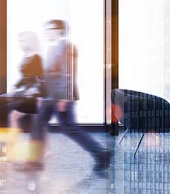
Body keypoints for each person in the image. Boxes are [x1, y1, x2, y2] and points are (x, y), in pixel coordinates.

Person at [30, 19, 111, 173]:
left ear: (58, 30)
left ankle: (101, 154)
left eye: (49, 29)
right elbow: (50, 75)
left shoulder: (67, 47)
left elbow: (68, 74)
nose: (46, 32)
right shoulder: (52, 48)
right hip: (51, 96)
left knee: (69, 128)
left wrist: (64, 97)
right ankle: (34, 161)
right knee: (40, 123)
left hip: (61, 96)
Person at [6, 31, 45, 161]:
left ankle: (16, 149)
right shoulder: (26, 56)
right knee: (35, 124)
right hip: (26, 93)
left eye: (22, 41)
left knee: (16, 116)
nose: (20, 43)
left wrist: (36, 91)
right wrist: (15, 87)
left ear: (30, 41)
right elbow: (25, 77)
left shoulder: (37, 57)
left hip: (34, 95)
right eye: (19, 41)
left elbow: (41, 78)